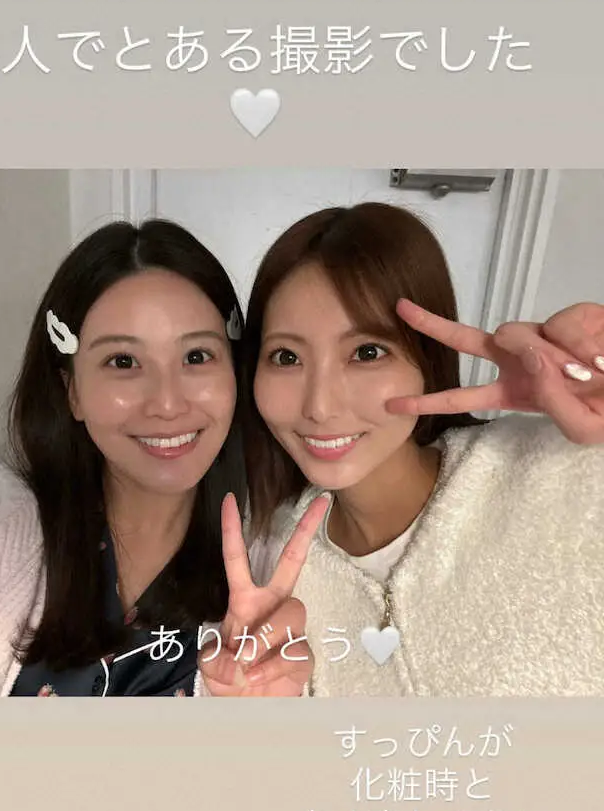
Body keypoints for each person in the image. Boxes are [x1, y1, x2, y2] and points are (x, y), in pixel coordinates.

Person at [0, 219, 326, 696]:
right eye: (123, 362)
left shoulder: (278, 564)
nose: (167, 404)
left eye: (196, 357)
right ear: (72, 391)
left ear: (235, 373)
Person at [233, 202, 604, 697]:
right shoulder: (270, 562)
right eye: (286, 356)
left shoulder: (564, 474)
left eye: (367, 352)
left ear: (426, 359)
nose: (319, 406)